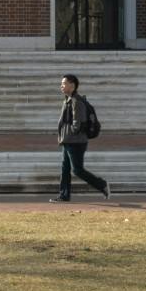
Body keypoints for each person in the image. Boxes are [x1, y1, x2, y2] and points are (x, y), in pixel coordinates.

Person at [51, 72, 110, 202]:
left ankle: (102, 184)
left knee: (77, 170)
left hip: (75, 142)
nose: (61, 86)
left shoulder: (77, 102)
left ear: (72, 86)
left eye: (64, 83)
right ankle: (64, 195)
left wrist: (70, 133)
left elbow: (78, 124)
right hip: (68, 141)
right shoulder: (67, 100)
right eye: (61, 84)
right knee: (65, 169)